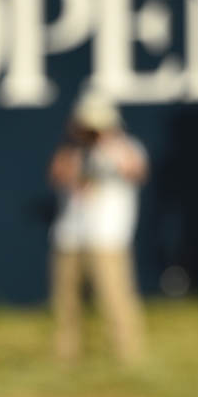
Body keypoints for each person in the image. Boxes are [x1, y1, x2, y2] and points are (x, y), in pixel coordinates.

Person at [48, 91, 147, 365]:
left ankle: (127, 355)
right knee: (66, 302)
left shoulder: (125, 148)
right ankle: (65, 356)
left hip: (108, 238)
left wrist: (108, 145)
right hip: (70, 236)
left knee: (116, 299)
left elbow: (137, 171)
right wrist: (78, 149)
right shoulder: (71, 151)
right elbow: (58, 175)